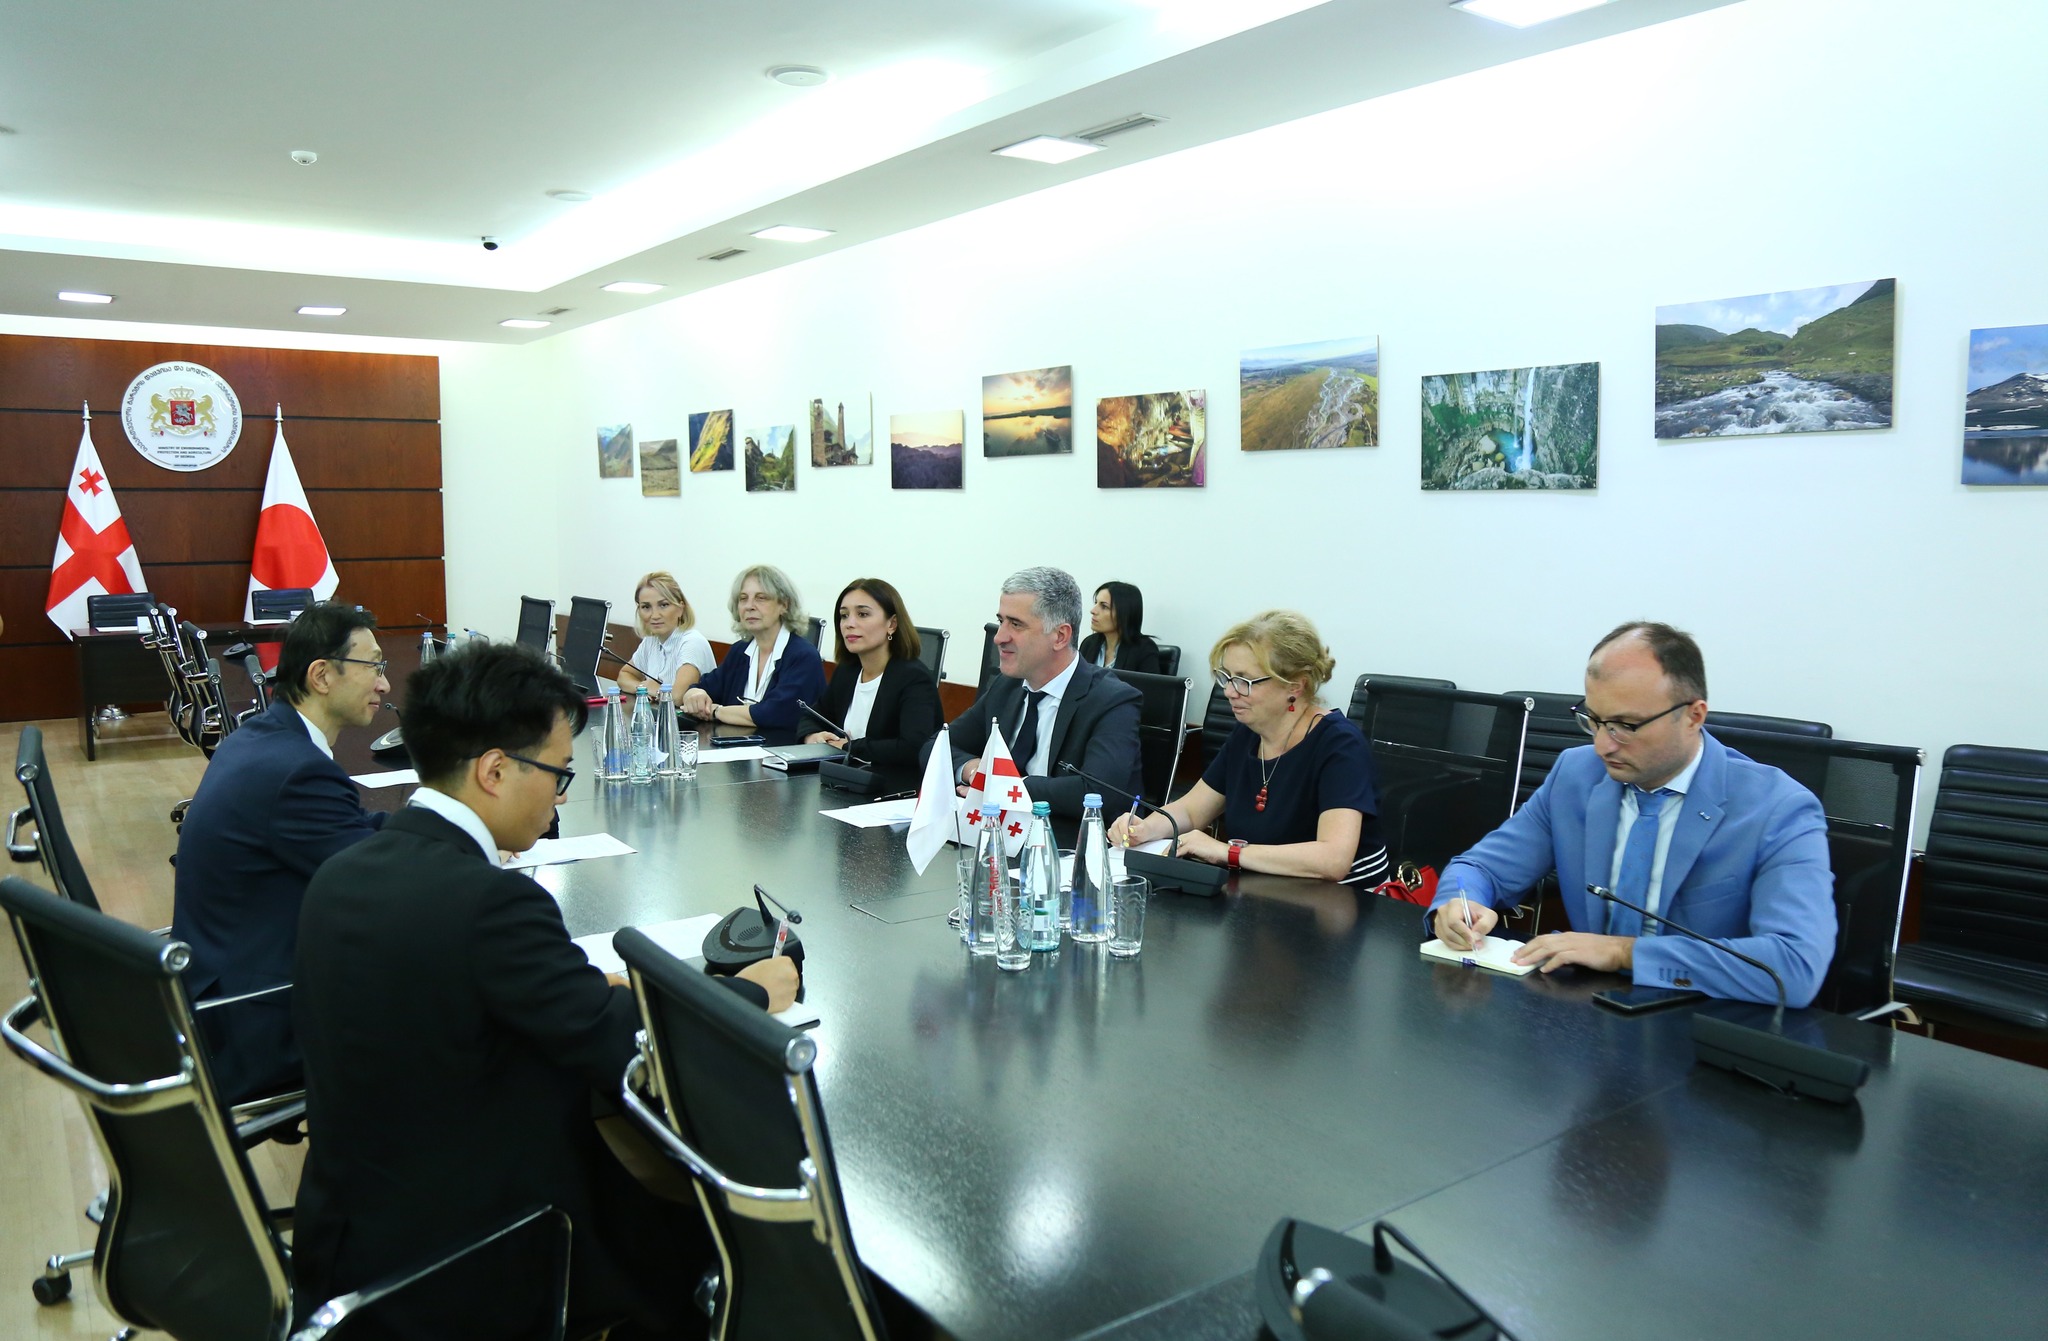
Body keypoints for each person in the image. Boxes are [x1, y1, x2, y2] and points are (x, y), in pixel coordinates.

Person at [292, 642, 799, 1338]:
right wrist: (752, 994)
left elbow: (480, 995)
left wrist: (584, 988)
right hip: (478, 1252)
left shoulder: (344, 873)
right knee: (734, 1249)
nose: (561, 795)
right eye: (559, 773)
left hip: (347, 1237)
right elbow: (624, 1044)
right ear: (495, 770)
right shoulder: (490, 902)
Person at [1428, 621, 1835, 1007]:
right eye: (1594, 720)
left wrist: (1625, 953)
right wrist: (1460, 904)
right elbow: (1480, 868)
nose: (1603, 745)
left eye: (1626, 725)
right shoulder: (1576, 774)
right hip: (1585, 1012)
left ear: (1693, 716)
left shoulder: (1779, 808)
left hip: (1705, 1022)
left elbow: (1794, 967)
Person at [170, 601, 388, 1103]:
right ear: (322, 676)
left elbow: (351, 832)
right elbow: (380, 881)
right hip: (257, 1020)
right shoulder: (297, 771)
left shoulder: (264, 737)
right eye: (374, 666)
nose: (384, 684)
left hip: (224, 987)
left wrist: (439, 829)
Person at [1108, 610, 1390, 884]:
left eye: (1244, 681)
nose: (1229, 691)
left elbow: (1332, 860)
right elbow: (1193, 811)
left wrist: (1227, 852)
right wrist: (1145, 828)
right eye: (1226, 677)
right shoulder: (1248, 733)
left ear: (1295, 686)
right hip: (1269, 892)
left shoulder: (1340, 744)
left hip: (1346, 900)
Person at [926, 566, 1141, 818]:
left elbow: (1098, 793)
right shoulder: (1007, 686)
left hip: (1068, 837)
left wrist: (1002, 785)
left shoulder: (1112, 700)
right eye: (1001, 621)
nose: (999, 637)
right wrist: (973, 770)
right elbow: (935, 747)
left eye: (1016, 624)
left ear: (1060, 636)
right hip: (999, 829)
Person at [803, 577, 942, 777]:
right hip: (844, 777)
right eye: (844, 616)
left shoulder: (914, 678)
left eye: (862, 614)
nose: (849, 624)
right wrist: (812, 736)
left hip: (893, 785)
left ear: (892, 624)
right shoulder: (847, 671)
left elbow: (913, 747)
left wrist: (849, 747)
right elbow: (812, 715)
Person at [679, 564, 826, 744]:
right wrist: (694, 695)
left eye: (761, 598)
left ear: (784, 605)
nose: (749, 606)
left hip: (781, 754)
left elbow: (771, 713)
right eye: (743, 599)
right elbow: (703, 686)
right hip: (735, 752)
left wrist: (717, 711)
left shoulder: (804, 657)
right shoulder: (740, 651)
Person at [613, 570, 714, 695]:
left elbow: (678, 696)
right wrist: (644, 688)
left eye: (663, 605)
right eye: (646, 607)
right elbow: (624, 676)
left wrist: (653, 690)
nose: (655, 615)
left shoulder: (692, 642)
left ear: (680, 608)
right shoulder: (650, 641)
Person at [1078, 580, 1163, 674]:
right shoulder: (1089, 643)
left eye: (1104, 607)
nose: (1093, 611)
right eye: (1096, 603)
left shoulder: (1144, 649)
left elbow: (1148, 684)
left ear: (1124, 613)